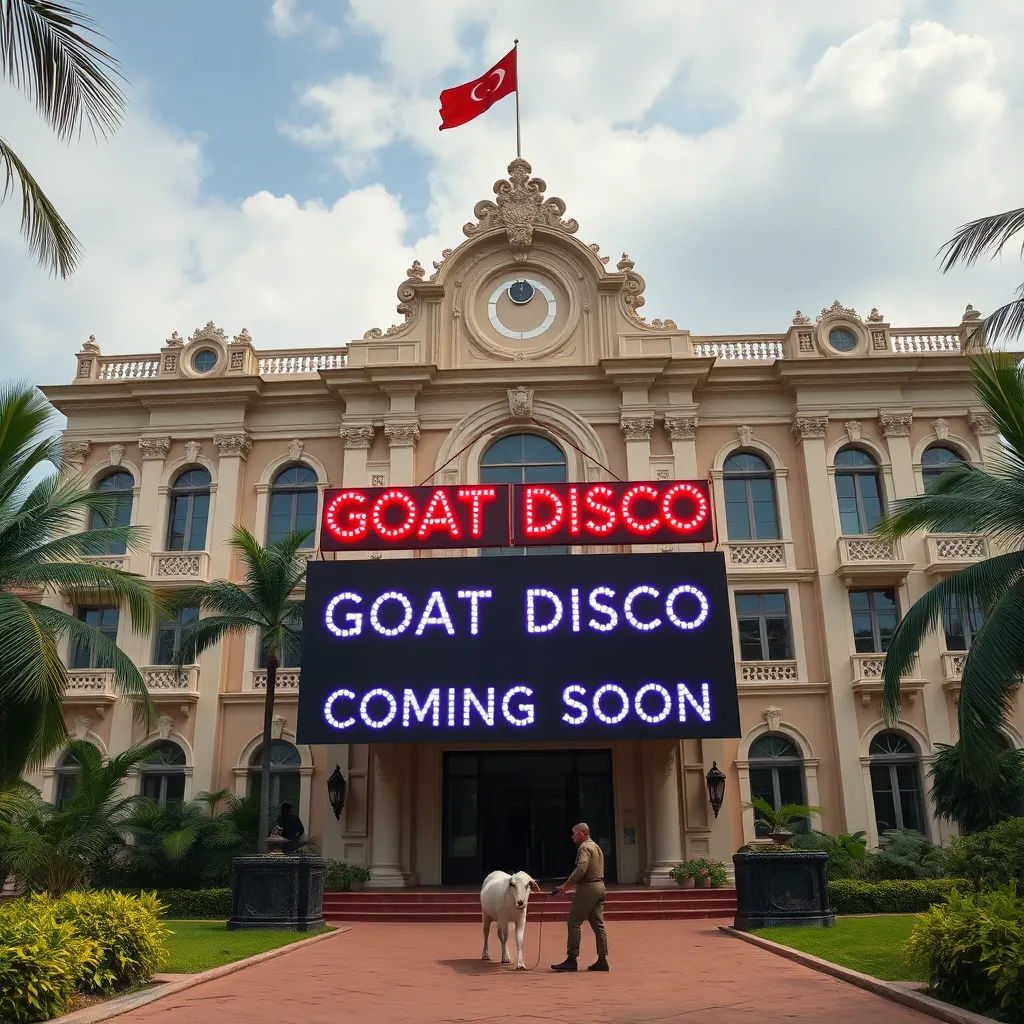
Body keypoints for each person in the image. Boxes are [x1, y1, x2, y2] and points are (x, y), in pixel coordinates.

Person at [550, 822, 608, 972]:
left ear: (582, 833)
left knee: (574, 922)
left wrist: (566, 885)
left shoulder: (584, 848)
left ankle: (572, 958)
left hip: (588, 887)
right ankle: (602, 959)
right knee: (598, 925)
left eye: (574, 833)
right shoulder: (595, 846)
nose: (572, 836)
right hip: (599, 886)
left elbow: (581, 867)